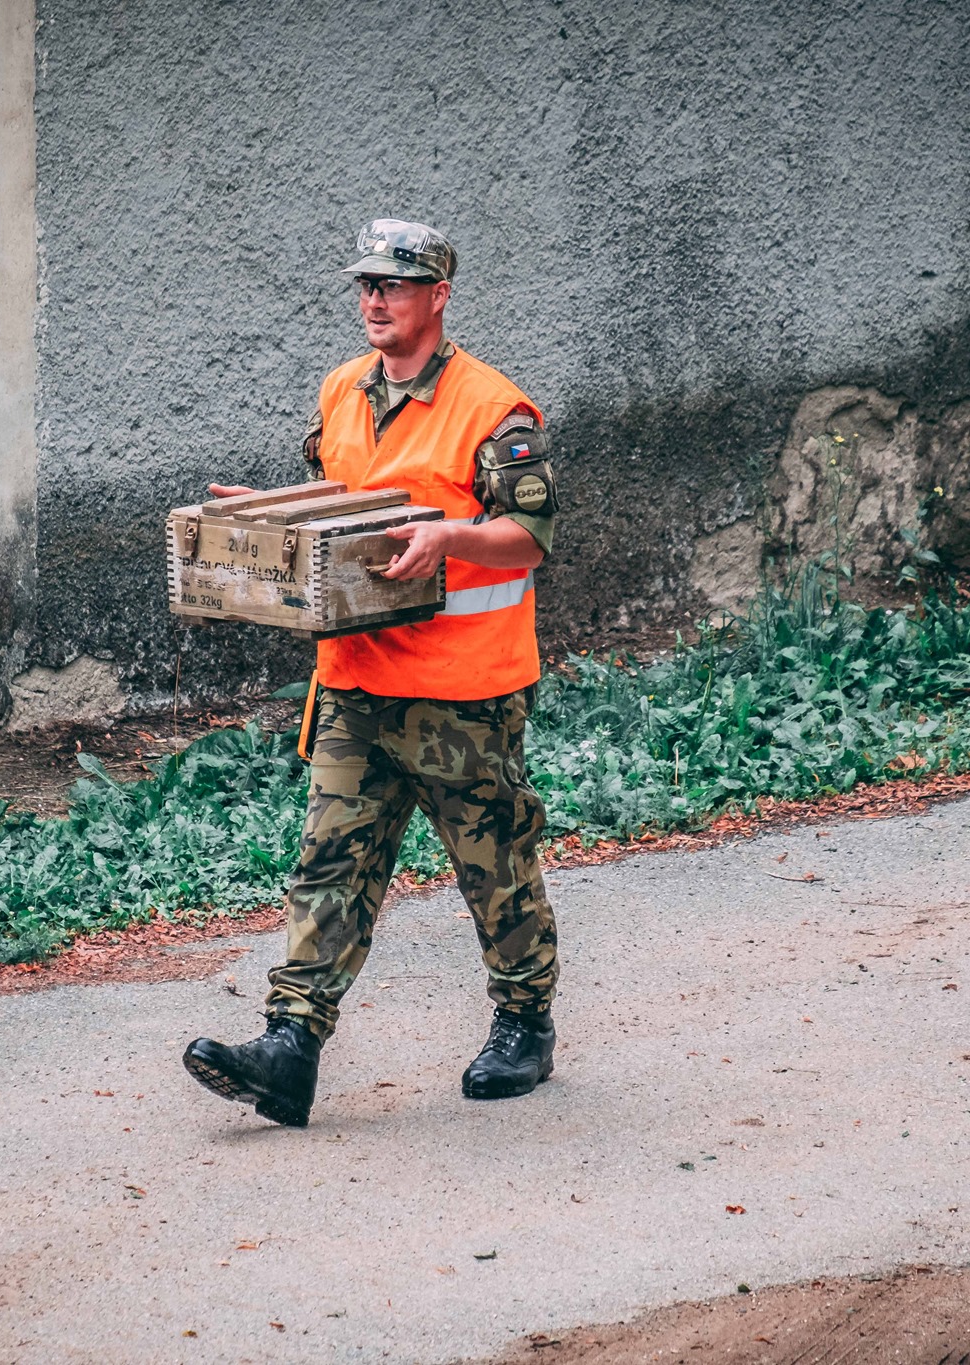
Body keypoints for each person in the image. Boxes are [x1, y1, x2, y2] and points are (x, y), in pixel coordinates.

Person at [183, 218, 563, 1128]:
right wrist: (276, 513)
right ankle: (289, 1045)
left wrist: (450, 534)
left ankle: (525, 1021)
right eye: (365, 285)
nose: (374, 301)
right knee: (330, 861)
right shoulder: (341, 391)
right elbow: (343, 503)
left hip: (463, 694)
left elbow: (532, 537)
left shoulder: (495, 410)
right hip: (355, 676)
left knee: (493, 861)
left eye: (394, 285)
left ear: (438, 295)